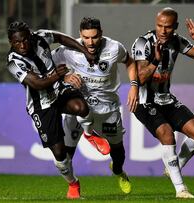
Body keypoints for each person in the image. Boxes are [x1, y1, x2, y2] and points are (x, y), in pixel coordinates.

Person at [5, 21, 110, 199]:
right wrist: (57, 75)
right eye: (17, 42)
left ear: (30, 36)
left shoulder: (40, 37)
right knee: (60, 154)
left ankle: (89, 134)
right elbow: (36, 84)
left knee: (81, 107)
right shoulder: (13, 62)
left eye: (24, 40)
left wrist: (84, 51)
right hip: (41, 105)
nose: (22, 45)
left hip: (58, 90)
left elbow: (61, 37)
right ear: (11, 42)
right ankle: (73, 184)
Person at [52, 17, 139, 194]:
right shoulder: (69, 49)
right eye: (86, 37)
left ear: (101, 33)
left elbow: (129, 62)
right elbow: (47, 66)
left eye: (94, 37)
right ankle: (73, 185)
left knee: (118, 153)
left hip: (107, 109)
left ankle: (118, 171)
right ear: (80, 35)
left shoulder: (114, 47)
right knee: (66, 155)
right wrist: (64, 77)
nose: (90, 42)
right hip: (78, 104)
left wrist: (134, 86)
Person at [131, 7, 194, 198]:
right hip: (144, 101)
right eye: (159, 26)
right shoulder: (143, 43)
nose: (163, 30)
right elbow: (140, 78)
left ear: (175, 26)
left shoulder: (177, 41)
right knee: (167, 135)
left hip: (166, 98)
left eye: (167, 27)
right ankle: (180, 189)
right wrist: (155, 61)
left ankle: (174, 166)